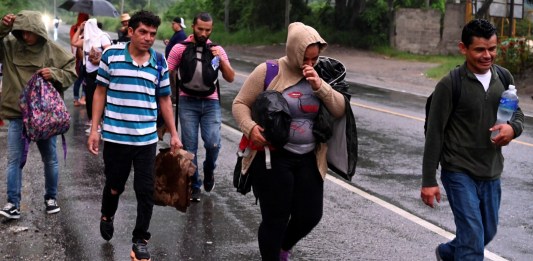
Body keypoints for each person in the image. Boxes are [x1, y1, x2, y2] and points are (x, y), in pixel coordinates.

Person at [232, 22, 346, 260]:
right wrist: (250, 127)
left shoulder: (322, 73)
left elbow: (339, 109)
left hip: (309, 157)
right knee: (276, 217)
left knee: (311, 215)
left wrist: (319, 86)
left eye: (315, 58)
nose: (311, 63)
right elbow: (240, 104)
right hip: (273, 157)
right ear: (294, 51)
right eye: (306, 58)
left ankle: (284, 246)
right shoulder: (269, 71)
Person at [421, 19, 524, 261]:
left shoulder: (503, 77)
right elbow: (434, 132)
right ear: (463, 48)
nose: (487, 55)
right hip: (458, 170)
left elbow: (516, 112)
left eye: (492, 48)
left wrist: (513, 129)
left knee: (486, 231)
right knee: (473, 240)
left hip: (491, 170)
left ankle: (447, 252)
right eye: (479, 49)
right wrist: (428, 180)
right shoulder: (450, 84)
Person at [87, 10, 182, 261]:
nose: (148, 38)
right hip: (117, 138)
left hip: (146, 140)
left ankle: (140, 239)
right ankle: (107, 214)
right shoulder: (112, 56)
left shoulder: (159, 62)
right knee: (115, 186)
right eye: (143, 32)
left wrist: (174, 133)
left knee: (145, 190)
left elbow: (164, 99)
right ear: (130, 32)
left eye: (152, 34)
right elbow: (99, 92)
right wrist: (95, 130)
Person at [0, 10, 77, 219]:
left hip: (44, 116)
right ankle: (12, 204)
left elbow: (72, 70)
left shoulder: (52, 49)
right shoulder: (8, 46)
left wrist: (55, 74)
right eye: (21, 32)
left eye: (29, 32)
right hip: (17, 114)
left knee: (50, 159)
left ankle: (51, 197)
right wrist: (3, 27)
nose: (25, 36)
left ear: (39, 31)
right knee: (13, 160)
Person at [167, 12, 235, 201]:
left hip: (210, 101)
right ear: (193, 27)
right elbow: (167, 72)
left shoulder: (216, 50)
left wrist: (220, 60)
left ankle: (209, 170)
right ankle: (194, 185)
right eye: (200, 29)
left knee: (213, 143)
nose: (203, 33)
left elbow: (230, 78)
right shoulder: (180, 49)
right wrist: (165, 98)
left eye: (207, 30)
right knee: (190, 148)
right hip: (187, 101)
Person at [71, 18, 111, 133]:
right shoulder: (87, 40)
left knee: (100, 97)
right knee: (89, 98)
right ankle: (94, 122)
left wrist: (99, 59)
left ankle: (101, 122)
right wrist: (79, 29)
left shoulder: (102, 37)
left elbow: (109, 51)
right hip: (88, 72)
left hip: (100, 71)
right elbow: (74, 42)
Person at [164, 16, 187, 104]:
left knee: (175, 81)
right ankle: (174, 98)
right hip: (172, 63)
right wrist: (169, 43)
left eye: (173, 24)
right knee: (172, 81)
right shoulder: (177, 34)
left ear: (178, 24)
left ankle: (177, 99)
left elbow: (181, 50)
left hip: (176, 64)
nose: (172, 25)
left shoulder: (181, 35)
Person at [70, 13, 89, 107]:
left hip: (83, 58)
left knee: (83, 79)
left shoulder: (86, 28)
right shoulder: (75, 28)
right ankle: (79, 98)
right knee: (81, 79)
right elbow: (73, 42)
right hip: (80, 59)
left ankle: (80, 98)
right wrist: (80, 30)